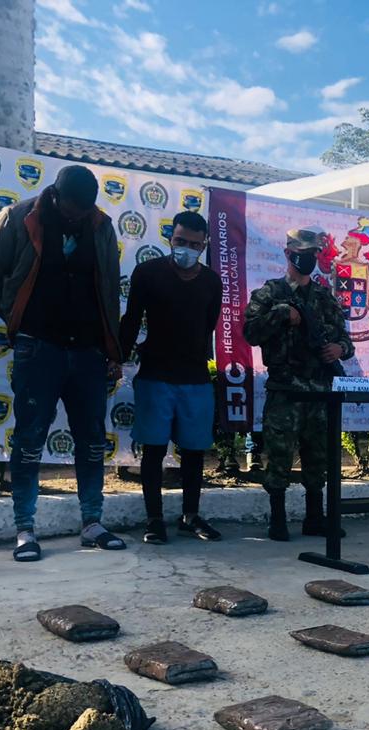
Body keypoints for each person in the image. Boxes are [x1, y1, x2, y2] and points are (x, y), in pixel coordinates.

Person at [0, 164, 125, 561]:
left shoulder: (101, 226)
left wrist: (112, 351)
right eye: (72, 210)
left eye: (84, 211)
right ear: (55, 196)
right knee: (29, 440)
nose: (77, 217)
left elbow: (109, 289)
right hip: (38, 347)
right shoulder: (18, 217)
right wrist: (16, 317)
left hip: (88, 350)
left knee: (92, 440)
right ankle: (25, 529)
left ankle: (92, 523)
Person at [244, 227, 354, 541]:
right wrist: (280, 314)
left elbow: (345, 339)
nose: (308, 259)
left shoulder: (323, 297)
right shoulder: (271, 293)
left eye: (313, 254)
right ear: (288, 254)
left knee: (318, 458)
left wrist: (339, 349)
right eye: (302, 254)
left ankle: (314, 518)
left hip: (319, 392)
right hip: (286, 391)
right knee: (279, 457)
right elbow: (250, 332)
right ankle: (278, 519)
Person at [120, 211, 222, 545]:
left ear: (204, 245)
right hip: (155, 375)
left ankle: (190, 516)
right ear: (170, 238)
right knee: (153, 451)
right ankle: (154, 520)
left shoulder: (212, 282)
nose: (186, 248)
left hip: (195, 378)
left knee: (194, 451)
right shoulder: (148, 273)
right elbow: (131, 320)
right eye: (180, 241)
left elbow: (208, 327)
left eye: (194, 244)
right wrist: (117, 359)